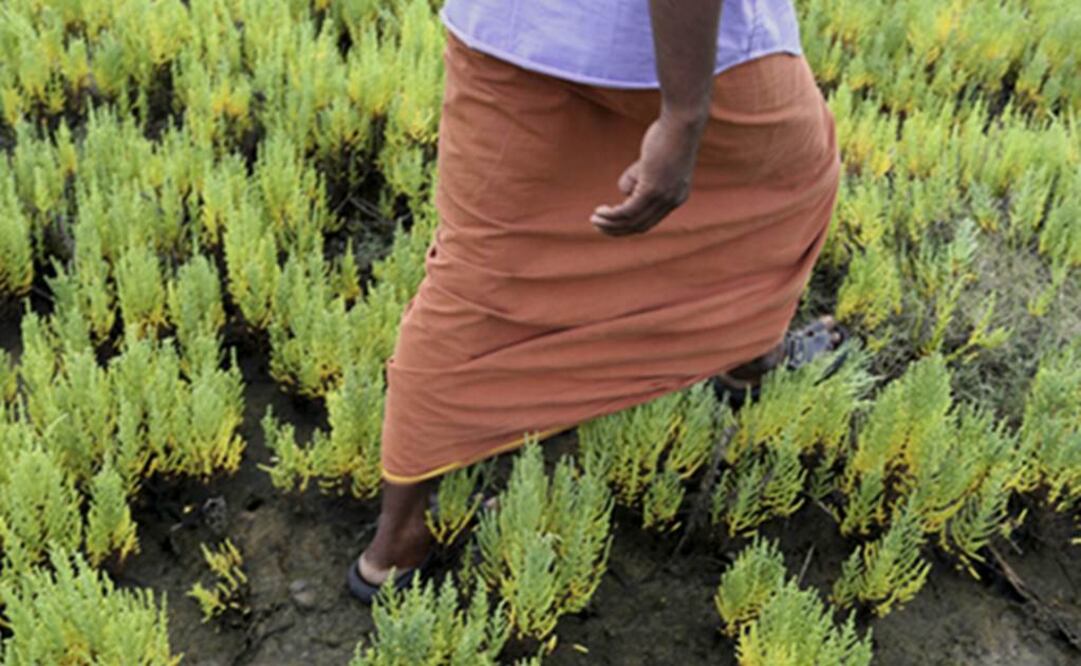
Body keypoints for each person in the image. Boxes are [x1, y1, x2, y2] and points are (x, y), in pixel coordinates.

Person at [347, 0, 846, 602]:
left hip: (503, 32)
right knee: (792, 188)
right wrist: (683, 118)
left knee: (482, 274)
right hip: (672, 53)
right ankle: (747, 356)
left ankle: (395, 546)